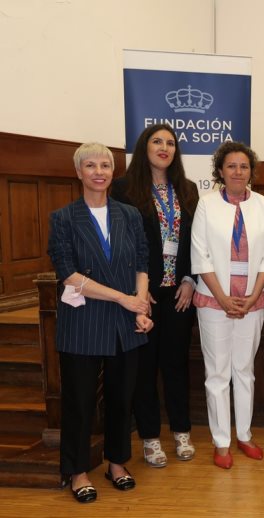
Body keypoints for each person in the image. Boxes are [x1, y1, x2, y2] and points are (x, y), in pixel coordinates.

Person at [48, 142, 152, 503]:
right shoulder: (63, 218)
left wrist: (140, 307)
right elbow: (68, 275)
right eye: (89, 165)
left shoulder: (129, 214)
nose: (98, 171)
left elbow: (142, 262)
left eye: (105, 165)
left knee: (122, 399)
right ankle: (77, 471)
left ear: (113, 172)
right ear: (78, 172)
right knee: (78, 402)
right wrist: (124, 299)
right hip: (84, 321)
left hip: (126, 323)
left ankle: (117, 463)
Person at [111, 124, 199, 467]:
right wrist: (137, 290)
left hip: (178, 293)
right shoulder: (123, 189)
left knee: (176, 364)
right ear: (143, 147)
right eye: (157, 141)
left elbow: (195, 242)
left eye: (170, 143)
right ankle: (149, 437)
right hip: (142, 294)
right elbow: (122, 245)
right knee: (144, 369)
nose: (164, 147)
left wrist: (190, 280)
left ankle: (181, 431)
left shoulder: (187, 189)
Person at [190, 142, 264, 469]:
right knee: (217, 373)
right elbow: (201, 256)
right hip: (214, 301)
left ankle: (244, 434)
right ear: (220, 171)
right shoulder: (206, 205)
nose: (238, 172)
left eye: (244, 166)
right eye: (231, 166)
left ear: (251, 171)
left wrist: (253, 296)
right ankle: (222, 442)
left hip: (252, 300)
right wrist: (224, 298)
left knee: (244, 370)